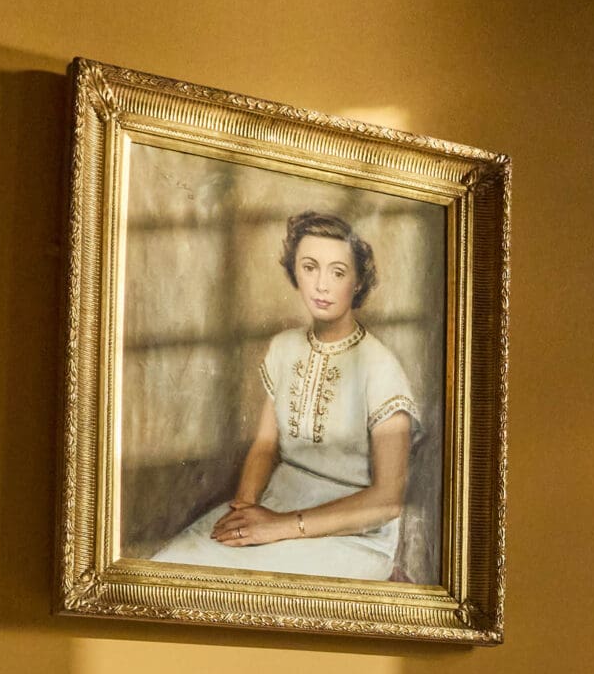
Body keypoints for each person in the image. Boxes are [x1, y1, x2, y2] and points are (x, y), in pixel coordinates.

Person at [151, 210, 418, 580]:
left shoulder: (381, 367)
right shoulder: (284, 348)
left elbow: (387, 500)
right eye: (310, 268)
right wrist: (244, 508)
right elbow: (264, 446)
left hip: (352, 531)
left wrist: (277, 527)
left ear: (358, 281)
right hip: (278, 500)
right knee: (172, 566)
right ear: (295, 270)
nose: (321, 285)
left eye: (337, 272)